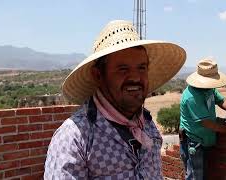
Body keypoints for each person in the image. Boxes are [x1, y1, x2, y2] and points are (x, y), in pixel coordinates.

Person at [44, 20, 186, 179]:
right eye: (122, 69)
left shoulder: (148, 126)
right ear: (98, 75)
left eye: (141, 67)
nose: (135, 77)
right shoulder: (74, 138)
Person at [179, 59, 226, 180]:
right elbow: (207, 123)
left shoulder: (209, 89)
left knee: (204, 175)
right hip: (194, 141)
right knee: (195, 176)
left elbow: (222, 102)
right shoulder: (191, 97)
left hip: (205, 140)